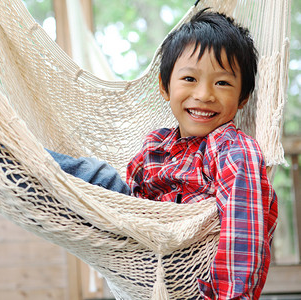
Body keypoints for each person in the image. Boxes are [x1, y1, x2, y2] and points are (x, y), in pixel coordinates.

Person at [48, 9, 278, 299]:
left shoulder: (232, 149)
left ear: (243, 97)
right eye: (190, 79)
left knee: (100, 176)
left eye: (222, 83)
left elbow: (244, 227)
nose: (205, 94)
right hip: (139, 248)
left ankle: (16, 156)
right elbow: (130, 201)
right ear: (164, 86)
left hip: (185, 266)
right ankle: (17, 157)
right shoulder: (154, 145)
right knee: (92, 184)